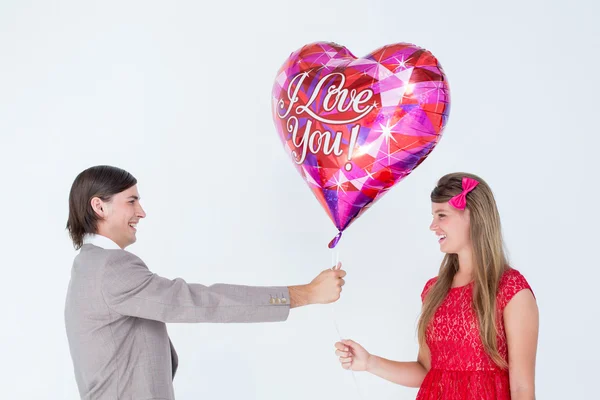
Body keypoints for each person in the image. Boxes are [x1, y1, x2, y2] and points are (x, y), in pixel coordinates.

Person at [65, 165, 346, 400]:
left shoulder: (89, 266)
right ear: (99, 206)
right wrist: (307, 294)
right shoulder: (111, 267)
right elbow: (200, 303)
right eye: (131, 201)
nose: (141, 212)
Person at [334, 173, 538, 399]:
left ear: (475, 217)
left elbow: (522, 388)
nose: (433, 226)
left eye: (442, 216)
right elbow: (426, 371)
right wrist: (369, 362)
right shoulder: (434, 290)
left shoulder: (510, 290)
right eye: (433, 216)